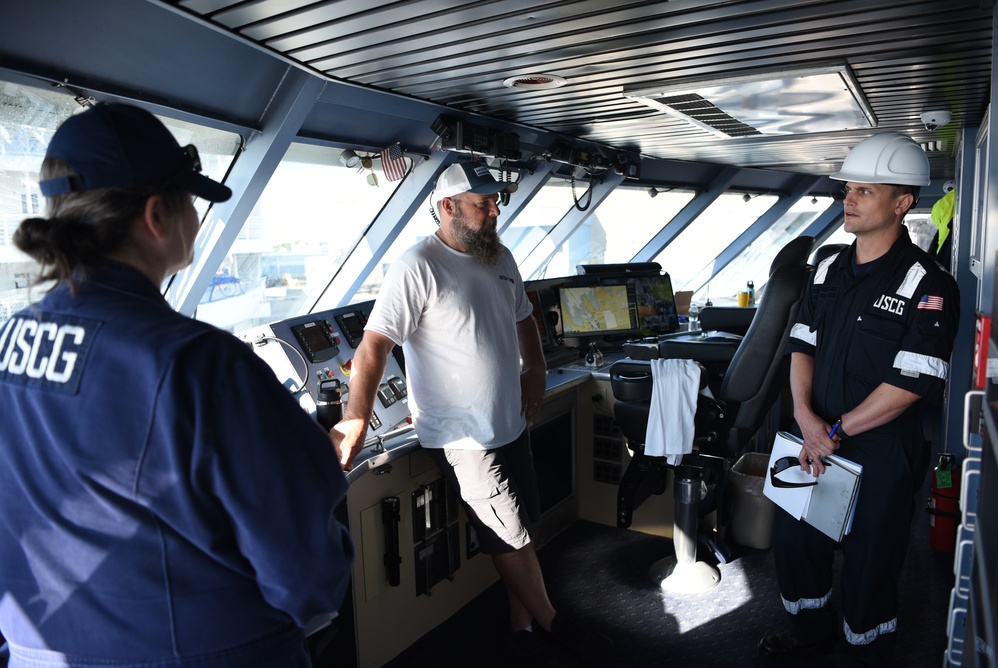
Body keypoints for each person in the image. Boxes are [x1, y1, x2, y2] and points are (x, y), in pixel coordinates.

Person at [0, 103, 354, 667]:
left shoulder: (10, 339)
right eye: (190, 200)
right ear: (156, 216)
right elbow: (306, 570)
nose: (196, 216)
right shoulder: (201, 364)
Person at [330, 161, 614, 664]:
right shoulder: (417, 265)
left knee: (524, 523)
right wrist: (355, 419)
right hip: (462, 437)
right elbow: (374, 347)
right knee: (509, 532)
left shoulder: (499, 256)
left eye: (495, 201)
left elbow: (524, 316)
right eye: (483, 204)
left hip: (509, 421)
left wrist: (537, 367)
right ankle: (555, 623)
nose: (494, 209)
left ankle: (522, 628)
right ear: (448, 207)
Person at [759, 132, 960, 666]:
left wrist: (837, 432)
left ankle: (864, 652)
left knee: (872, 561)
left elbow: (911, 384)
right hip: (815, 436)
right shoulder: (826, 269)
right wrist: (805, 418)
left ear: (902, 203)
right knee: (800, 544)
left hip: (880, 448)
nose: (848, 200)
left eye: (864, 191)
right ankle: (810, 634)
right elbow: (802, 345)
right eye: (847, 189)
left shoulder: (929, 283)